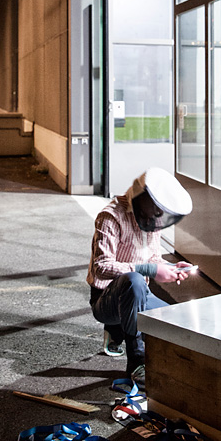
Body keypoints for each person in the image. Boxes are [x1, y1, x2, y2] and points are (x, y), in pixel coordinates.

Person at [86, 167, 194, 390]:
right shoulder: (110, 217)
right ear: (139, 197)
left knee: (177, 319)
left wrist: (170, 267)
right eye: (152, 211)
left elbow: (153, 260)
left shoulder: (150, 220)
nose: (155, 217)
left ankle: (121, 330)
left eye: (158, 213)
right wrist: (152, 271)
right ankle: (136, 361)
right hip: (106, 299)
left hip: (139, 296)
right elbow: (101, 268)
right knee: (134, 280)